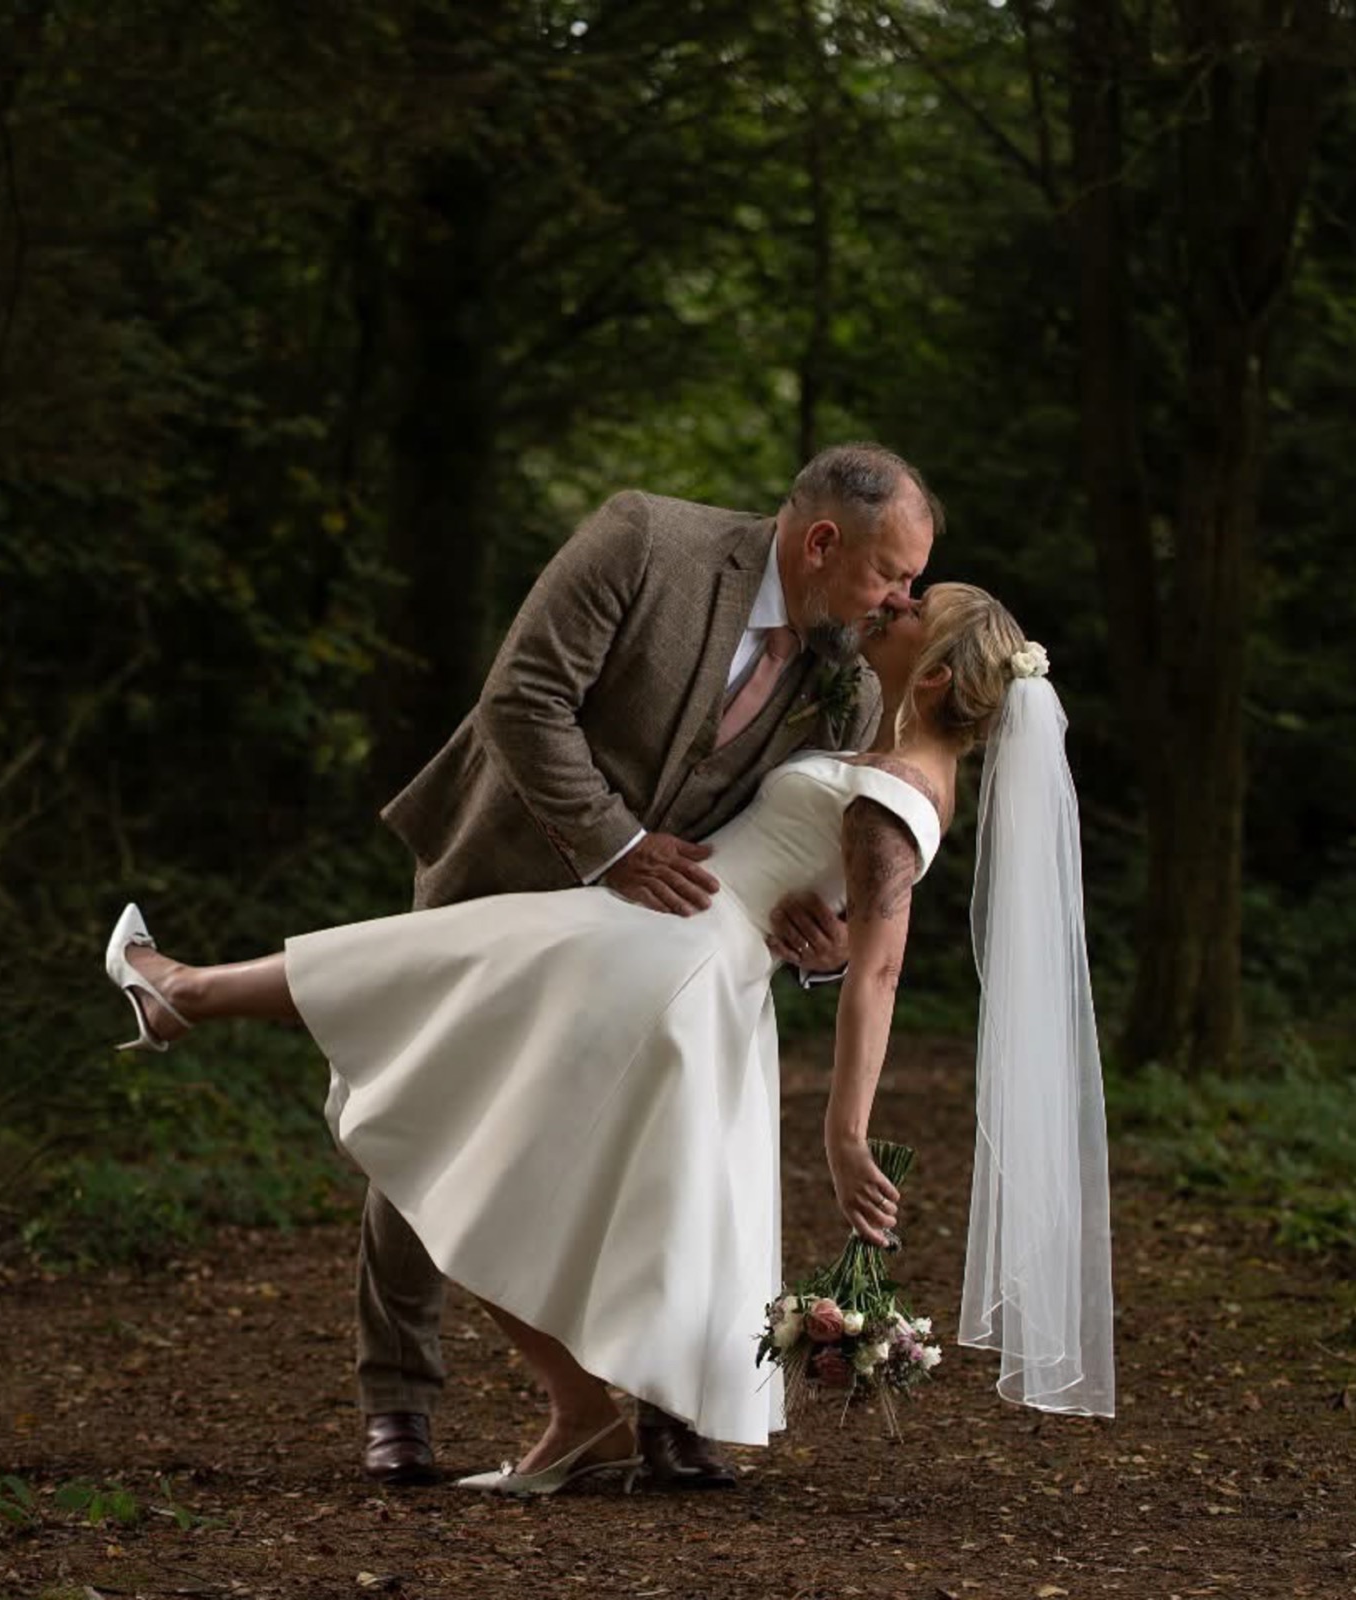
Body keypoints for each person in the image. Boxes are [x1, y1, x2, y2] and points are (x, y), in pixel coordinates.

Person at [101, 582, 1117, 1494]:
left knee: (442, 1027)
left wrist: (845, 1133)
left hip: (665, 959)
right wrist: (828, 932)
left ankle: (184, 988)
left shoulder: (897, 792)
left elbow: (881, 968)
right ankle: (591, 1412)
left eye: (910, 611)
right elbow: (852, 926)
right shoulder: (890, 760)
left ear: (934, 674)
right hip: (682, 961)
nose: (890, 605)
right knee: (458, 1016)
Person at [351, 444, 935, 1488]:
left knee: (667, 1148)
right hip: (514, 864)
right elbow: (523, 700)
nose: (904, 598)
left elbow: (809, 858)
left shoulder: (845, 688)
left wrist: (826, 943)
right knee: (425, 1103)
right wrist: (617, 847)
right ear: (818, 543)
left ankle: (667, 1406)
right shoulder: (645, 541)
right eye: (891, 573)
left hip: (664, 949)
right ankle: (399, 1397)